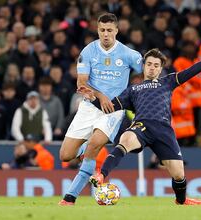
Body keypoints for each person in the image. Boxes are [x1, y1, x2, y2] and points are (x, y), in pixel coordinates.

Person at [87, 40, 201, 205]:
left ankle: (181, 200)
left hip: (163, 130)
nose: (152, 67)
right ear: (143, 66)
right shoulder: (133, 90)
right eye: (149, 64)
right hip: (141, 126)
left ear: (160, 69)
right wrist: (92, 98)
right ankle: (101, 174)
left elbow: (193, 70)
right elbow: (109, 107)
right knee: (126, 139)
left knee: (178, 174)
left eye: (156, 65)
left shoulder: (167, 82)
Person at [58, 13, 143, 205]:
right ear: (97, 30)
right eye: (102, 30)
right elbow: (81, 82)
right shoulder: (88, 52)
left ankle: (70, 197)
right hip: (90, 107)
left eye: (109, 30)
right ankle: (86, 154)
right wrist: (100, 95)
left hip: (113, 110)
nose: (106, 34)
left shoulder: (129, 54)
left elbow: (148, 72)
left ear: (116, 31)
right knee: (65, 156)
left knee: (95, 144)